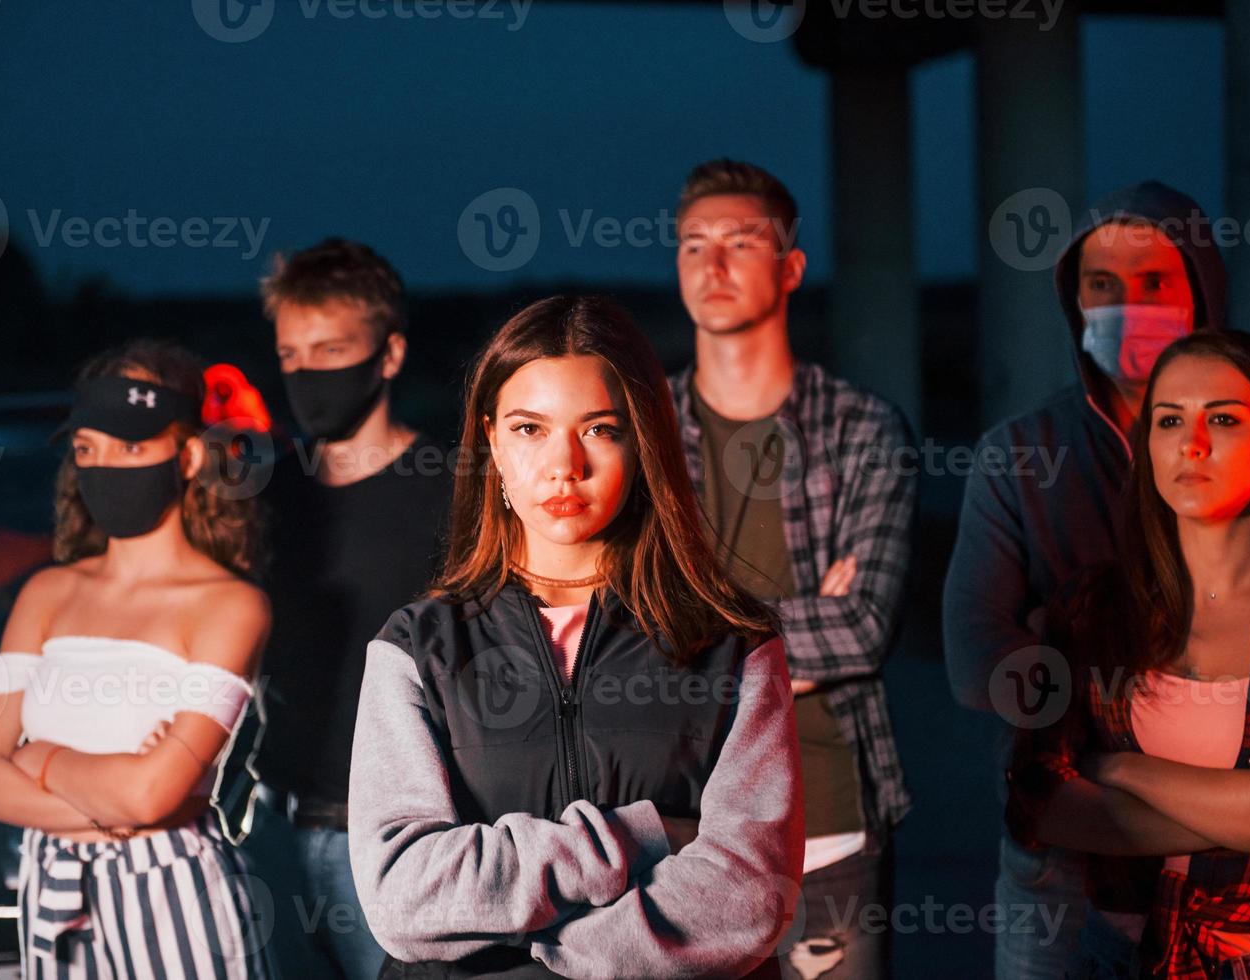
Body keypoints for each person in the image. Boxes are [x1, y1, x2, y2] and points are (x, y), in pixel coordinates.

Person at [348, 294, 805, 978]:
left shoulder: (733, 643)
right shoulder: (416, 647)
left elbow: (750, 892)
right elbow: (404, 896)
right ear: (492, 442)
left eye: (599, 429)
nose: (565, 464)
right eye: (530, 429)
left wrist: (557, 957)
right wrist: (635, 837)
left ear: (642, 440)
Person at [943, 181, 1229, 976]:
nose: (1126, 307)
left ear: (1201, 289)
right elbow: (974, 664)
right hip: (1065, 862)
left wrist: (1061, 635)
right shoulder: (1018, 457)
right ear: (1073, 301)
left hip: (1239, 868)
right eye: (1103, 286)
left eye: (1153, 285)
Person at [0, 338, 274, 979]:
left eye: (131, 446)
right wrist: (117, 806)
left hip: (176, 898)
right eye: (86, 449)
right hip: (52, 892)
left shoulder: (231, 605)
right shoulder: (48, 591)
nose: (104, 466)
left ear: (185, 456)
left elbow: (153, 795)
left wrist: (39, 757)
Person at [668, 158, 917, 979]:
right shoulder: (642, 431)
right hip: (676, 820)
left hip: (829, 819)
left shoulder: (861, 429)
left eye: (741, 242)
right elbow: (622, 633)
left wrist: (692, 639)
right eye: (694, 244)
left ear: (791, 268)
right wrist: (784, 639)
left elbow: (863, 629)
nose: (714, 265)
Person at [1007, 329, 1250, 977]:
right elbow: (1038, 803)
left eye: (1223, 418)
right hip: (1123, 956)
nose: (1191, 443)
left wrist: (1119, 772)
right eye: (1169, 420)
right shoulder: (1093, 609)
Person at [245, 237, 452, 979]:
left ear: (388, 354)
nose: (308, 375)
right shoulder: (265, 499)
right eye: (291, 356)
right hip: (272, 829)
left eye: (331, 349)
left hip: (401, 839)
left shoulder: (451, 492)